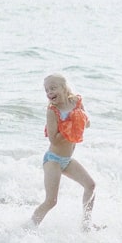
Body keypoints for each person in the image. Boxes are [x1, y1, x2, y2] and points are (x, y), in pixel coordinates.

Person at [31, 73, 97, 230]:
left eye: (53, 88)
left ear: (64, 88)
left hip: (67, 160)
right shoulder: (52, 111)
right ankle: (28, 228)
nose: (49, 92)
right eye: (46, 90)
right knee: (51, 201)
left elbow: (87, 124)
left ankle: (86, 225)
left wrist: (80, 120)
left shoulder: (76, 102)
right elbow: (53, 139)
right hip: (53, 159)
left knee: (91, 186)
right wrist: (69, 125)